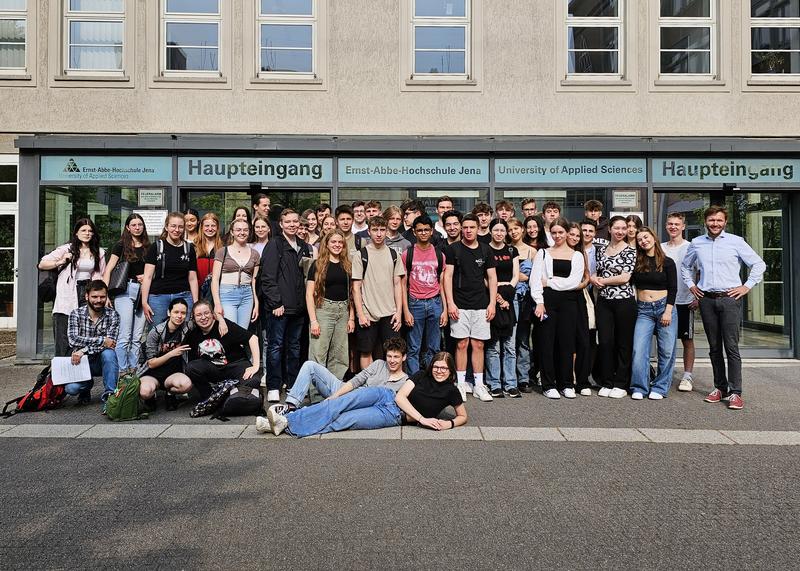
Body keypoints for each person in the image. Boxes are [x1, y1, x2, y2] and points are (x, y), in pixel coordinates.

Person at [259, 352, 467, 438]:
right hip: (384, 396)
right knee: (339, 404)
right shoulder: (422, 375)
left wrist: (447, 424)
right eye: (437, 367)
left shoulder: (451, 391)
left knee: (344, 421)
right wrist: (423, 419)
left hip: (393, 417)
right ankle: (286, 420)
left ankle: (284, 424)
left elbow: (462, 416)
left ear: (451, 371)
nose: (439, 371)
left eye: (444, 369)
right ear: (432, 367)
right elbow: (400, 397)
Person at [682, 205, 766, 411]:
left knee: (731, 347)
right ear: (705, 222)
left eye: (719, 220)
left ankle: (735, 392)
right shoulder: (696, 243)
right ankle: (719, 387)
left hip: (729, 299)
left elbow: (759, 264)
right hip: (707, 300)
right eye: (711, 220)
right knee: (713, 347)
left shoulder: (736, 242)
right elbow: (685, 266)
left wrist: (746, 287)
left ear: (725, 222)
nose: (715, 224)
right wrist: (692, 285)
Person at [443, 213, 497, 403]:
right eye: (464, 227)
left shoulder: (486, 250)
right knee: (461, 344)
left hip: (481, 304)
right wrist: (450, 303)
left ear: (478, 228)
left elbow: (492, 278)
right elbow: (447, 277)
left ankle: (479, 384)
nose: (467, 231)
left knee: (479, 344)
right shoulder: (453, 249)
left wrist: (492, 303)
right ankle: (460, 383)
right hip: (460, 304)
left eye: (471, 227)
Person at [261, 208, 312, 402]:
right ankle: (274, 386)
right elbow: (267, 277)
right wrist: (275, 302)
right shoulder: (275, 244)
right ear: (281, 224)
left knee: (294, 348)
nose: (292, 225)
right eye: (288, 222)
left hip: (298, 308)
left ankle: (292, 384)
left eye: (295, 221)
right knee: (275, 346)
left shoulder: (303, 246)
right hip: (279, 307)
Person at [531, 218, 585, 399]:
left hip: (569, 303)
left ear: (567, 232)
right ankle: (549, 384)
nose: (557, 236)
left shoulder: (577, 255)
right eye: (554, 232)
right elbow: (536, 280)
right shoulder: (543, 253)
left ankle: (566, 383)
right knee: (547, 343)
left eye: (561, 232)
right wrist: (539, 301)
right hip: (547, 302)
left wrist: (550, 282)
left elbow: (574, 282)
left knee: (567, 343)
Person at [38, 217, 107, 356]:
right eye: (83, 230)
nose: (87, 233)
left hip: (87, 292)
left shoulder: (99, 252)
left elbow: (100, 275)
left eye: (90, 231)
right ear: (76, 233)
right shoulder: (66, 249)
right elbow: (42, 264)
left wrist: (103, 296)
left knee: (84, 331)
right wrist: (61, 261)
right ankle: (61, 371)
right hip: (67, 291)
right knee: (63, 332)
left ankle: (82, 371)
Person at [283, 338, 409, 410]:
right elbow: (356, 381)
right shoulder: (379, 364)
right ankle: (291, 405)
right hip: (343, 389)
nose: (392, 360)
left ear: (403, 358)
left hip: (356, 403)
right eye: (389, 356)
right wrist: (336, 395)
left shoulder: (405, 382)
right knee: (310, 365)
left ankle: (302, 413)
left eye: (396, 357)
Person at [591, 216, 637, 399]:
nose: (620, 231)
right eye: (616, 228)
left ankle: (621, 383)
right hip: (604, 302)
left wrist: (602, 281)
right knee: (605, 342)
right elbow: (596, 271)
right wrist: (594, 278)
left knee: (623, 343)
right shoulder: (600, 250)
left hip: (624, 302)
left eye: (623, 228)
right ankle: (607, 380)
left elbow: (625, 277)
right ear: (609, 229)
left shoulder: (631, 251)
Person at [630, 227, 678, 400]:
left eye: (646, 237)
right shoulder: (637, 262)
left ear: (653, 237)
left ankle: (660, 387)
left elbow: (673, 288)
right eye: (640, 239)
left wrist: (668, 311)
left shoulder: (667, 262)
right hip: (643, 310)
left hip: (664, 308)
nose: (643, 241)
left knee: (666, 351)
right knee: (639, 349)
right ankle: (639, 387)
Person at [352, 215, 405, 369]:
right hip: (368, 312)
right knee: (366, 352)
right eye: (375, 230)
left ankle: (389, 386)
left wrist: (399, 312)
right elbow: (356, 287)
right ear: (369, 231)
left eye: (382, 230)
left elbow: (398, 285)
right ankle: (369, 388)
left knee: (393, 352)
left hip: (390, 313)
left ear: (387, 231)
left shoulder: (394, 255)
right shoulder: (361, 255)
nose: (379, 233)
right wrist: (360, 314)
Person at [184, 300, 261, 399]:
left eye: (206, 313)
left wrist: (255, 366)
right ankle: (211, 397)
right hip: (213, 370)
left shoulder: (224, 325)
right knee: (191, 368)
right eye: (198, 315)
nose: (203, 317)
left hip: (235, 365)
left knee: (253, 381)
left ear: (213, 314)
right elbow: (194, 363)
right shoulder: (193, 335)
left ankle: (231, 395)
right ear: (194, 318)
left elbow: (253, 338)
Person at [103, 213, 150, 372]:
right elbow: (109, 269)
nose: (137, 228)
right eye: (134, 225)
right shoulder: (121, 245)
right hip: (126, 291)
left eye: (140, 225)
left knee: (137, 337)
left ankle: (134, 371)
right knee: (124, 337)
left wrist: (148, 277)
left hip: (143, 291)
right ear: (128, 228)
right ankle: (123, 373)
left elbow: (153, 270)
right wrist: (106, 294)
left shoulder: (148, 246)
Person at [401, 215, 447, 375]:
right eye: (419, 230)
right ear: (414, 232)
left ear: (432, 231)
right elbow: (402, 284)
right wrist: (405, 310)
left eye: (426, 230)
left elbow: (442, 284)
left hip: (435, 302)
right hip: (415, 303)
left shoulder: (439, 255)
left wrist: (445, 310)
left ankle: (432, 379)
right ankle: (415, 381)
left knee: (434, 347)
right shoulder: (408, 254)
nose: (423, 233)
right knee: (414, 347)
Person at [65, 280, 120, 412]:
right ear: (87, 296)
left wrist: (83, 349)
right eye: (94, 297)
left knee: (109, 354)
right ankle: (86, 385)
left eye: (102, 297)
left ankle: (110, 397)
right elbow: (73, 340)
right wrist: (102, 340)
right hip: (82, 362)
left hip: (102, 362)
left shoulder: (113, 315)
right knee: (71, 389)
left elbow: (111, 343)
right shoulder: (76, 314)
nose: (98, 300)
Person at [306, 230, 354, 379]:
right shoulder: (317, 265)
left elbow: (351, 293)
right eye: (333, 242)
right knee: (318, 353)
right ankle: (317, 396)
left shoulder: (348, 265)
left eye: (340, 242)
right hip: (323, 310)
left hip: (343, 311)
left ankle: (334, 391)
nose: (337, 245)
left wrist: (351, 317)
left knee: (340, 356)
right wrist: (314, 321)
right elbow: (309, 294)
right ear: (326, 244)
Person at [141, 212, 199, 326]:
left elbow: (192, 278)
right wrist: (144, 301)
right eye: (173, 226)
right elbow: (147, 277)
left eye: (180, 227)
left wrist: (195, 302)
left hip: (184, 296)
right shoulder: (156, 247)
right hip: (158, 297)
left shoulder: (189, 248)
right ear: (166, 227)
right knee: (158, 332)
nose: (177, 230)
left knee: (184, 332)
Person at [485, 219, 520, 398]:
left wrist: (507, 295)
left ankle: (511, 383)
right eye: (496, 230)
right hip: (492, 298)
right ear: (490, 231)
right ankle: (494, 383)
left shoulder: (512, 250)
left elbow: (516, 276)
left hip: (510, 298)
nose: (499, 233)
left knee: (509, 345)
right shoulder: (485, 249)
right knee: (493, 345)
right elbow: (484, 277)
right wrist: (498, 298)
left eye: (502, 230)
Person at [662, 212, 696, 392]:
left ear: (683, 226)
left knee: (686, 340)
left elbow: (701, 272)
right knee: (664, 340)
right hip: (664, 301)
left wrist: (698, 296)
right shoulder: (660, 248)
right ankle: (663, 374)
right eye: (670, 224)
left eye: (677, 224)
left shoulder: (691, 247)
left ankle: (687, 376)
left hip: (685, 300)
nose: (673, 227)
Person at [138, 297, 193, 410]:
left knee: (187, 385)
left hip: (173, 374)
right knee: (144, 392)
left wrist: (221, 321)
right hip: (153, 373)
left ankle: (170, 394)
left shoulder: (187, 327)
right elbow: (151, 363)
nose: (179, 316)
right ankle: (152, 396)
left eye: (183, 313)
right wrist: (171, 353)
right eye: (176, 312)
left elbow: (205, 319)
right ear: (169, 312)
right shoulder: (156, 332)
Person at [211, 219, 260, 329]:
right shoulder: (222, 252)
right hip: (227, 293)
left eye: (245, 230)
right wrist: (217, 303)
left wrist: (256, 303)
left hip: (247, 295)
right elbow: (215, 279)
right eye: (238, 230)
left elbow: (254, 281)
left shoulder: (255, 254)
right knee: (231, 331)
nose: (242, 233)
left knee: (243, 333)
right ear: (232, 232)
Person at [567, 222, 594, 397]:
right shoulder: (555, 251)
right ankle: (568, 378)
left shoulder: (580, 252)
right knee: (566, 341)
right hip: (562, 298)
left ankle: (582, 380)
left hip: (579, 296)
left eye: (578, 236)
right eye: (573, 234)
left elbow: (587, 275)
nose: (575, 238)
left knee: (583, 340)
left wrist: (580, 285)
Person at [508, 217, 534, 391]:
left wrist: (521, 277)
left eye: (516, 228)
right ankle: (509, 378)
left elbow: (537, 276)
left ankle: (523, 378)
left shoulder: (533, 251)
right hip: (509, 298)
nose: (513, 232)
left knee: (523, 339)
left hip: (526, 299)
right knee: (508, 340)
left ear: (522, 229)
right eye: (510, 230)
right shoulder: (506, 250)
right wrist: (520, 277)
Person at [193, 212, 223, 297]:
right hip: (198, 290)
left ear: (217, 228)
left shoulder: (223, 248)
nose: (210, 229)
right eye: (207, 226)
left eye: (213, 226)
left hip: (217, 291)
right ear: (201, 227)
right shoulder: (194, 246)